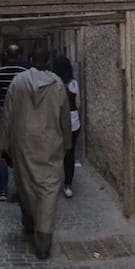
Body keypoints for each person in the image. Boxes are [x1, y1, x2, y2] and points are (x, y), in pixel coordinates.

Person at [0, 49, 71, 260]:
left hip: (23, 143)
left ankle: (29, 222)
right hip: (50, 143)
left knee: (26, 184)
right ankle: (44, 241)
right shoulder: (57, 84)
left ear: (30, 60)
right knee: (48, 189)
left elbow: (7, 114)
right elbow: (65, 117)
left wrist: (2, 144)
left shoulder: (18, 82)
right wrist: (67, 143)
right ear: (48, 61)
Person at [0, 43, 26, 201]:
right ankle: (22, 189)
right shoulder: (25, 73)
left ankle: (2, 190)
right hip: (21, 115)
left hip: (1, 114)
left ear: (6, 55)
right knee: (21, 152)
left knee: (0, 152)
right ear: (20, 55)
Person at [53, 55, 81, 198]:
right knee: (69, 154)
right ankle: (68, 185)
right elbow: (78, 104)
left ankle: (51, 182)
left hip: (55, 122)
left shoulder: (52, 84)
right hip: (73, 123)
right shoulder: (74, 84)